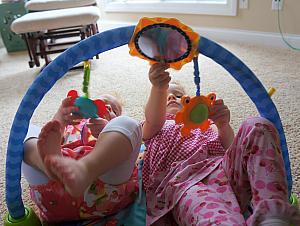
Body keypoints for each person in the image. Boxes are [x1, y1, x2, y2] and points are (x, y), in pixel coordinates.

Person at [142, 63, 300, 226]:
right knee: (211, 212)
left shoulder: (206, 123)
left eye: (178, 95)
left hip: (224, 171)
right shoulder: (156, 126)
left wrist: (222, 124)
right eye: (166, 96)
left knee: (258, 126)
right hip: (184, 182)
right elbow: (153, 119)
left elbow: (230, 147)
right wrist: (158, 88)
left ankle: (272, 214)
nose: (171, 97)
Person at [22, 94, 142, 222]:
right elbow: (48, 138)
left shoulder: (113, 129)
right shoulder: (73, 126)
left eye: (113, 110)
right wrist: (61, 119)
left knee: (128, 124)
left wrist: (108, 127)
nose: (106, 107)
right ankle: (49, 167)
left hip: (105, 186)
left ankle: (84, 169)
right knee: (26, 132)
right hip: (55, 187)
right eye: (99, 104)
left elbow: (121, 138)